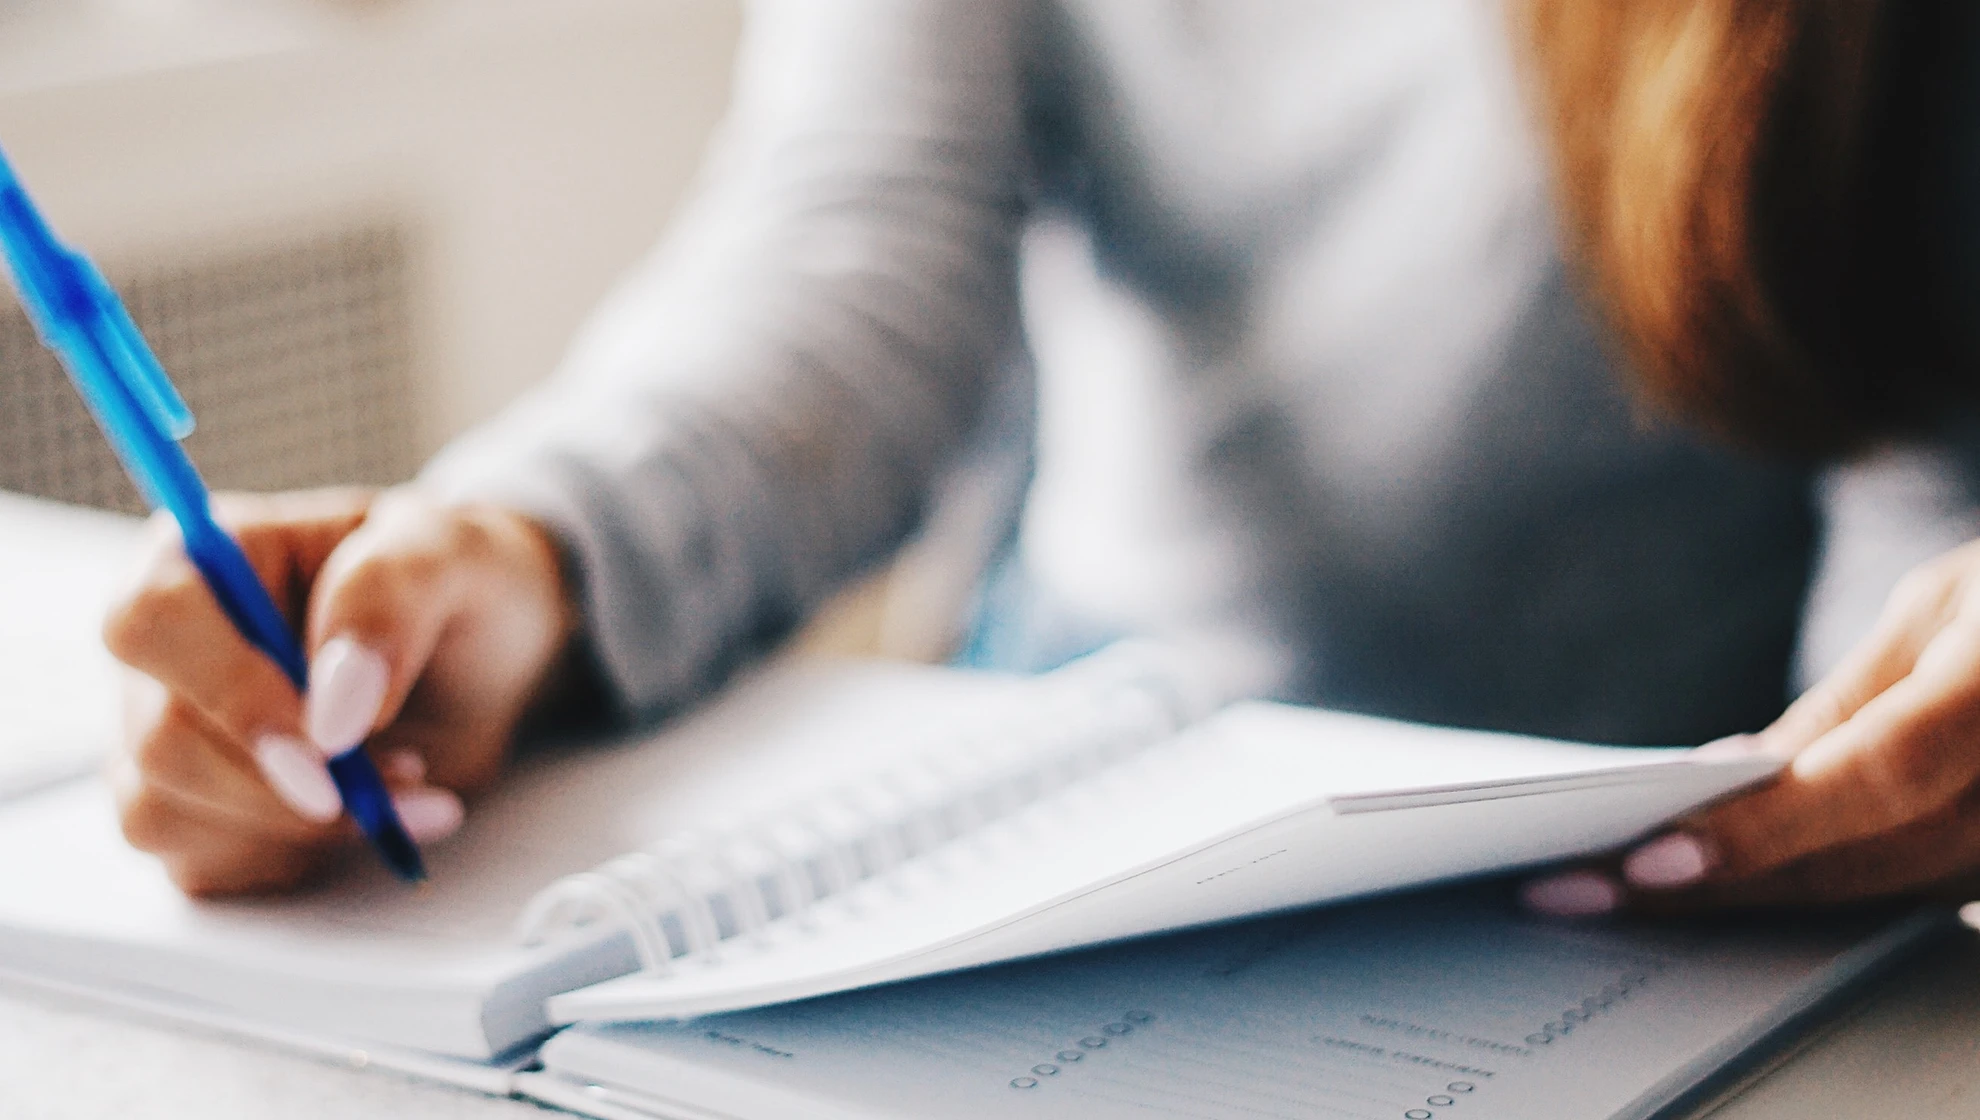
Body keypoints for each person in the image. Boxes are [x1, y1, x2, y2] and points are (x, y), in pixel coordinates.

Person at [98, 0, 1980, 913]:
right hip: (1065, 837)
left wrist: (1893, 759)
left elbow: (1924, 439)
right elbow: (849, 253)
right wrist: (519, 552)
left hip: (1670, 882)